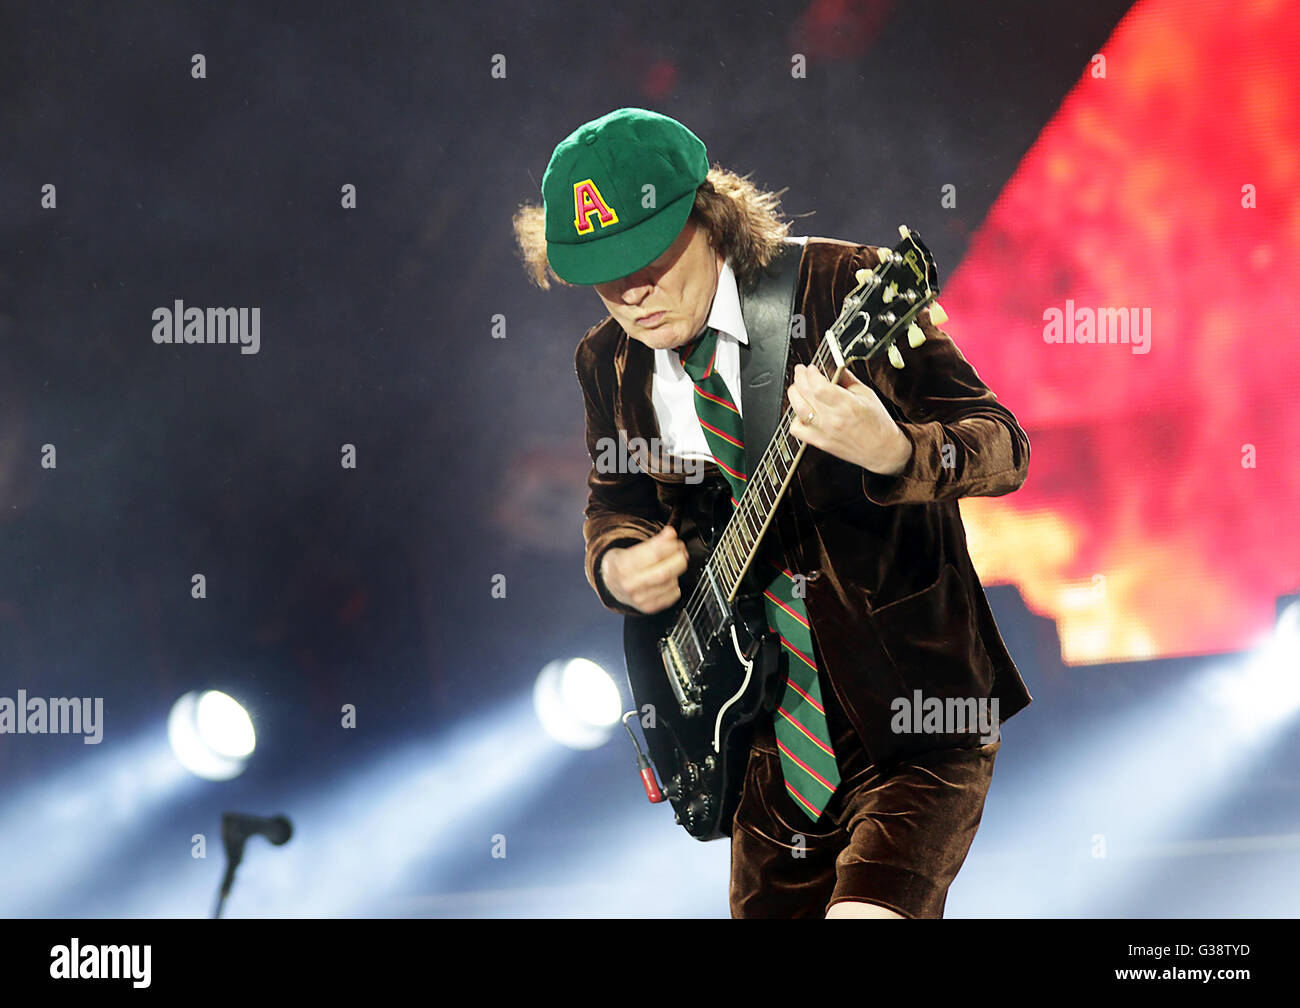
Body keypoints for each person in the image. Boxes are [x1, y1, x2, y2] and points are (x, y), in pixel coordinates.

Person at [512, 107, 1033, 918]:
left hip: (910, 717)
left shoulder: (842, 286)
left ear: (709, 215)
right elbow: (614, 504)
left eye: (648, 256)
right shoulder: (608, 362)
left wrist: (897, 452)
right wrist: (618, 564)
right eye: (603, 275)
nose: (633, 293)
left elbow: (1002, 447)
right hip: (765, 749)